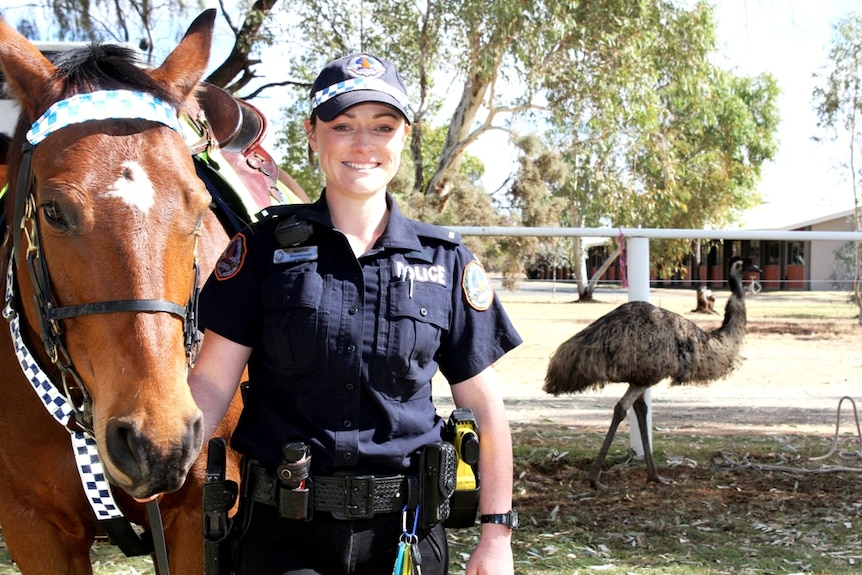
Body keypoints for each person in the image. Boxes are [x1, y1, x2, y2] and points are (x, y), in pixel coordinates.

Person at [189, 52, 522, 575]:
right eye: (342, 125)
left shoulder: (446, 262)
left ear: (403, 138)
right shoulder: (260, 251)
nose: (363, 144)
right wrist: (165, 455)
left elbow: (484, 407)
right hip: (282, 537)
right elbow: (210, 384)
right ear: (313, 135)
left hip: (405, 537)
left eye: (382, 126)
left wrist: (496, 535)